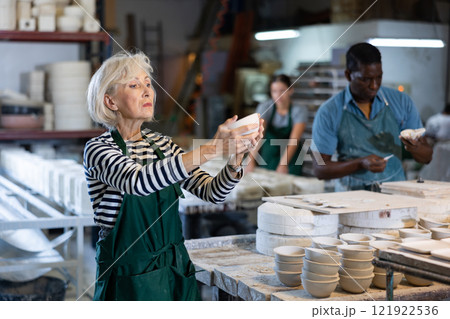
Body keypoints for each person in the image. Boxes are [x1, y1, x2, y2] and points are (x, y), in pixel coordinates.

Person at [83, 51, 264, 301]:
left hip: (175, 270)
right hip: (129, 277)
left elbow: (212, 193)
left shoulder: (163, 145)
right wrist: (211, 149)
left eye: (148, 83)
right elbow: (138, 181)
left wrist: (235, 160)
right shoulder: (99, 150)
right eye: (134, 85)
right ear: (110, 102)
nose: (147, 91)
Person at [312, 42, 433, 191]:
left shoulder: (401, 102)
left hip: (395, 193)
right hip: (351, 198)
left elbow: (426, 157)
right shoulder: (328, 112)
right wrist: (359, 163)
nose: (374, 85)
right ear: (348, 75)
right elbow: (319, 168)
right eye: (366, 79)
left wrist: (415, 147)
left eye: (379, 77)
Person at [246, 74, 308, 175]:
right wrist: (250, 160)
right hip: (269, 154)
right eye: (274, 91)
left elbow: (294, 140)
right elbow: (258, 136)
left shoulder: (299, 110)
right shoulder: (265, 107)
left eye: (282, 90)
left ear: (290, 90)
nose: (278, 95)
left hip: (291, 157)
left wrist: (283, 165)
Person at [419, 103, 450, 181]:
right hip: (439, 147)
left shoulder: (433, 118)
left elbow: (425, 135)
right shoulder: (446, 120)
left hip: (435, 147)